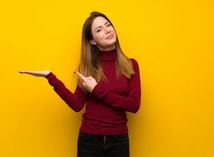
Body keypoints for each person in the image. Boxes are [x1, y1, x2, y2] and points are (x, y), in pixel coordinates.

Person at [19, 11, 141, 157]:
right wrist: (51, 78)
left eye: (108, 25)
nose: (107, 30)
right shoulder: (87, 68)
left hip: (119, 140)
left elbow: (133, 105)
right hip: (89, 140)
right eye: (99, 29)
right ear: (92, 41)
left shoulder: (130, 65)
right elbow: (77, 105)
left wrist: (97, 89)